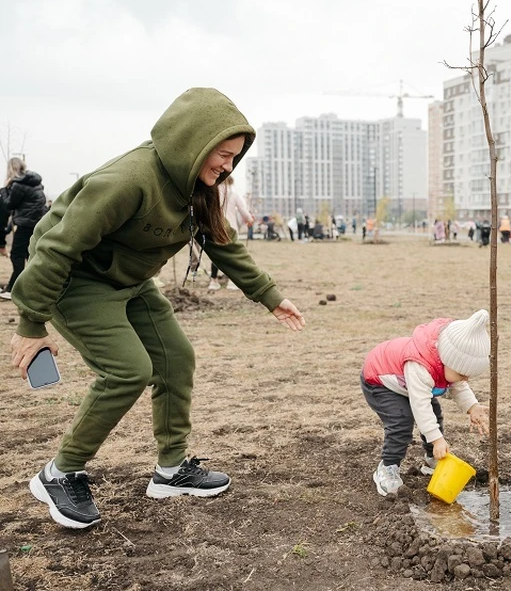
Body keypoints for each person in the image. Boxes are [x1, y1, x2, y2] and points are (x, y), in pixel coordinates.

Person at [10, 88, 307, 530]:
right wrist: (31, 322)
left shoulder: (193, 186)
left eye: (234, 157)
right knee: (128, 370)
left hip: (129, 282)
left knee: (175, 359)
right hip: (79, 281)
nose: (227, 166)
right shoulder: (128, 179)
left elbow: (220, 242)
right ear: (192, 141)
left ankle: (171, 471)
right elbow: (57, 246)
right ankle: (61, 472)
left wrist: (269, 296)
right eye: (222, 154)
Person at [361, 310, 490, 496]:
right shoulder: (420, 366)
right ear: (447, 359)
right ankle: (387, 467)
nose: (465, 378)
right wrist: (437, 439)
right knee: (401, 421)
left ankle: (432, 458)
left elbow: (458, 385)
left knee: (435, 414)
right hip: (380, 381)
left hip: (406, 384)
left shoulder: (447, 359)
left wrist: (473, 407)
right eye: (463, 374)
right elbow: (420, 405)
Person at [0, 157, 48, 300]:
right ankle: (32, 288)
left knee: (17, 255)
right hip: (37, 223)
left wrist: (4, 191)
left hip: (25, 224)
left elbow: (10, 204)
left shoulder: (18, 185)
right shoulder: (34, 182)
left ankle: (13, 288)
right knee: (30, 255)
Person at [208, 176, 254, 290]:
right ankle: (232, 282)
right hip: (230, 228)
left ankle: (213, 281)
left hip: (215, 227)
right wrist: (249, 220)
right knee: (232, 255)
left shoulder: (213, 193)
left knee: (216, 255)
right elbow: (243, 210)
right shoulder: (233, 194)